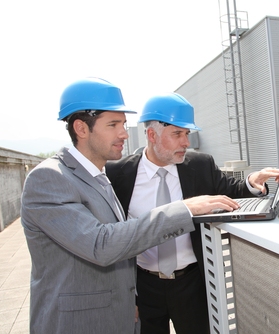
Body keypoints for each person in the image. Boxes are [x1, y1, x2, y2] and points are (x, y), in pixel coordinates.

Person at [20, 78, 240, 334]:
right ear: (81, 128)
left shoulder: (98, 178)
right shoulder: (49, 178)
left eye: (123, 124)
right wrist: (185, 209)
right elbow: (101, 244)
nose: (124, 133)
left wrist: (128, 300)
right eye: (113, 125)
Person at [106, 92, 279, 334]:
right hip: (142, 286)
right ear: (151, 135)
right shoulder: (117, 175)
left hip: (192, 285)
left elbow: (231, 191)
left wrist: (252, 181)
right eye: (177, 134)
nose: (186, 142)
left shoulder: (200, 166)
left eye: (187, 134)